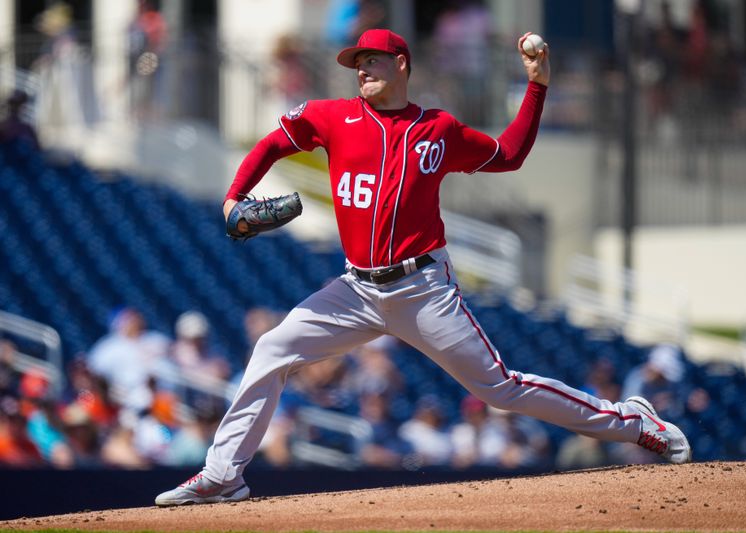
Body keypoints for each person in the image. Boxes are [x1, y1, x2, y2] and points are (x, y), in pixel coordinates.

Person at [155, 28, 690, 506]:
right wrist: (233, 198)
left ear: (402, 65)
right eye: (357, 61)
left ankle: (633, 421)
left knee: (498, 389)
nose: (362, 68)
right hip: (355, 290)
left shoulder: (437, 128)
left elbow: (508, 154)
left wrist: (537, 86)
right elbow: (272, 144)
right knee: (272, 348)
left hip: (422, 287)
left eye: (374, 59)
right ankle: (224, 474)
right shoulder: (332, 116)